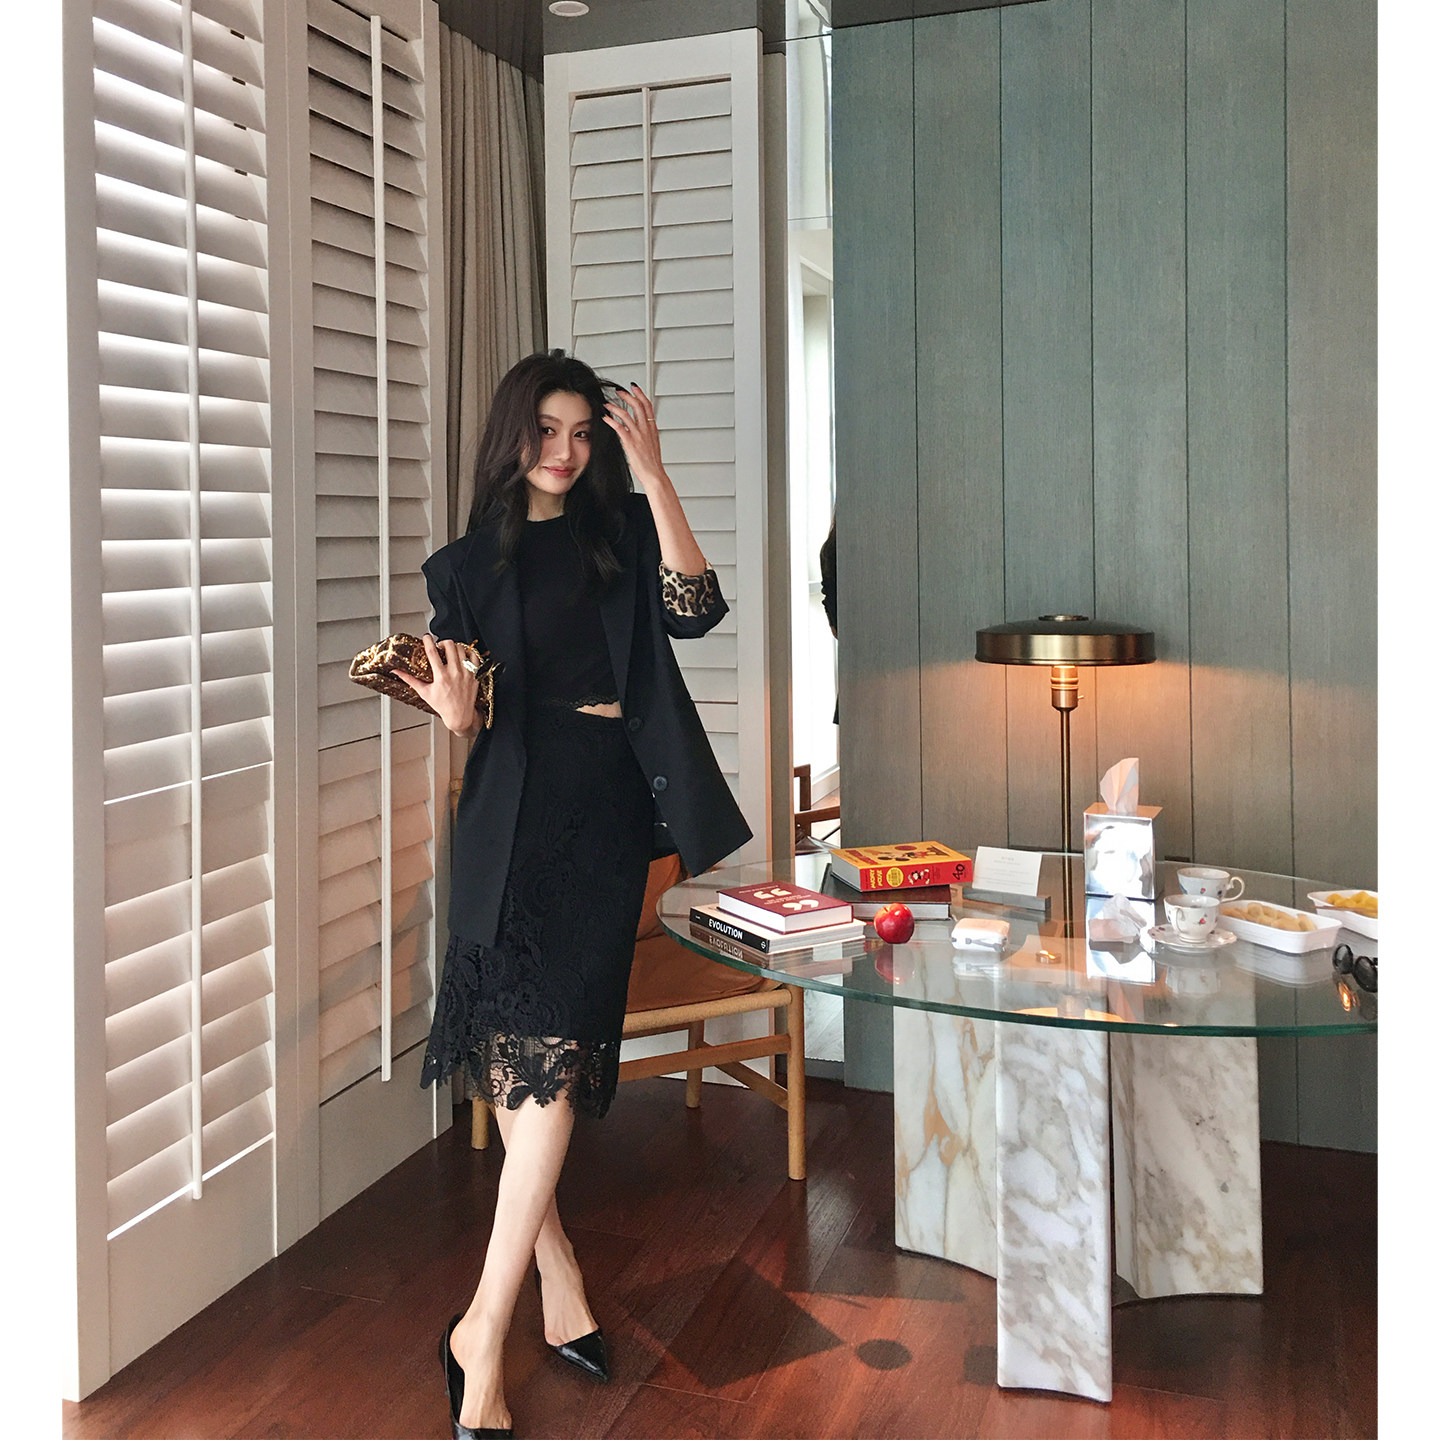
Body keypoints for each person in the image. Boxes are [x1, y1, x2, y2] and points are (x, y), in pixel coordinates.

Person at [396, 350, 750, 1438]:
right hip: (510, 820)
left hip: (603, 820)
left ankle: (483, 1327)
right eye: (546, 431)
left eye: (581, 434)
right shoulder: (464, 567)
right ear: (513, 435)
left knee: (545, 1070)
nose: (563, 451)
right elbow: (471, 708)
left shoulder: (623, 530)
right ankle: (539, 1295)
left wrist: (654, 473)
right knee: (526, 1077)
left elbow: (696, 612)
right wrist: (454, 717)